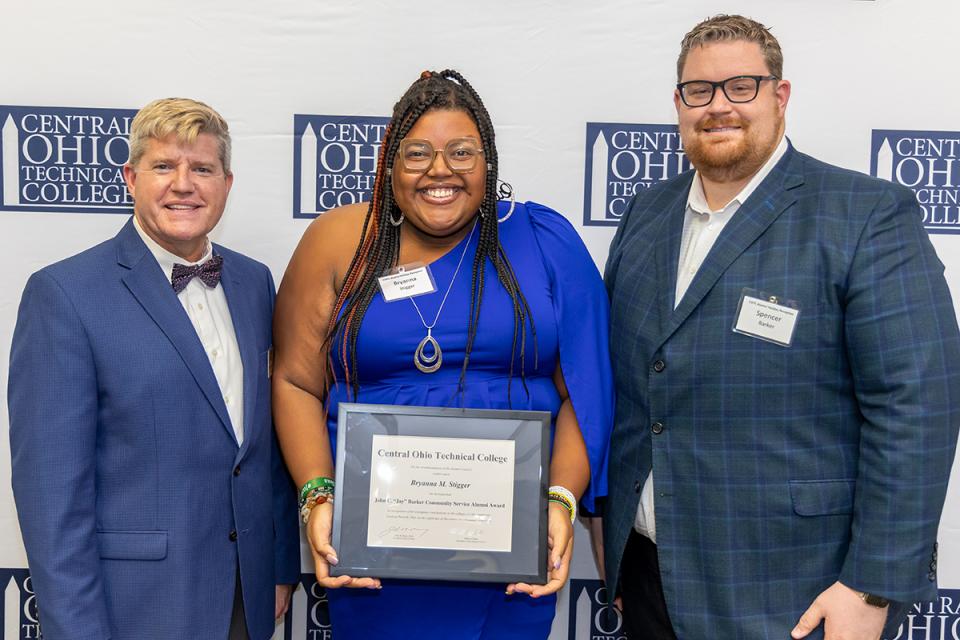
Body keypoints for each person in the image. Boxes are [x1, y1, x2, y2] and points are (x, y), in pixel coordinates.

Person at [602, 14, 960, 640]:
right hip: (650, 578)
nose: (719, 107)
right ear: (679, 102)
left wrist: (871, 587)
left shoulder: (865, 216)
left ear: (779, 95)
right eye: (699, 90)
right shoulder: (647, 212)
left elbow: (918, 410)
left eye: (741, 86)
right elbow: (630, 393)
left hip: (795, 591)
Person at [273, 69, 613, 639]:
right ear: (388, 163)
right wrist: (317, 495)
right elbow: (294, 382)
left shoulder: (542, 238)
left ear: (489, 161)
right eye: (418, 153)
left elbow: (584, 389)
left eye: (462, 152)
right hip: (371, 554)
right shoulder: (339, 241)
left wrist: (560, 499)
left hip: (512, 551)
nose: (440, 170)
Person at [8, 97, 300, 640]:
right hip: (133, 608)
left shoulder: (254, 282)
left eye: (203, 169)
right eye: (164, 166)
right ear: (131, 177)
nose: (184, 184)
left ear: (227, 185)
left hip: (246, 597)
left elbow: (263, 445)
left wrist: (280, 565)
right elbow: (52, 497)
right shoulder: (64, 295)